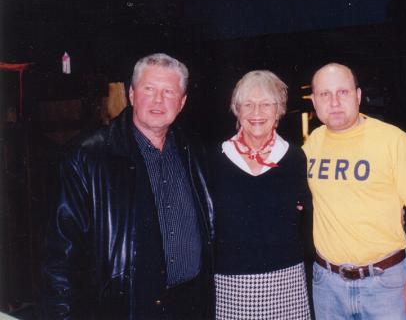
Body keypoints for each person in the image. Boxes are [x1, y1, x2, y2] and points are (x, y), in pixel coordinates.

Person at [41, 53, 215, 320]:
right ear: (132, 95)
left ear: (182, 103)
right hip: (124, 311)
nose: (158, 100)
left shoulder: (194, 152)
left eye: (169, 91)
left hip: (190, 307)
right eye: (149, 89)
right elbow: (59, 258)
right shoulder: (86, 157)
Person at [303, 63, 406, 320]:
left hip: (386, 286)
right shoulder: (312, 144)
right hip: (327, 286)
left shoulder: (393, 140)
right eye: (325, 94)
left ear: (358, 96)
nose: (334, 102)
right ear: (315, 102)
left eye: (343, 92)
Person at [211, 70, 313, 320]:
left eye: (266, 104)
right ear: (237, 110)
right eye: (248, 104)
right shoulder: (214, 158)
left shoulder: (295, 158)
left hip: (286, 281)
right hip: (229, 284)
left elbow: (306, 218)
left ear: (279, 110)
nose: (257, 113)